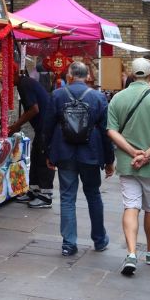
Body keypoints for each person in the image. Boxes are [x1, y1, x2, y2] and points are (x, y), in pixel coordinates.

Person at [107, 57, 150, 277]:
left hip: (128, 164)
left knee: (131, 206)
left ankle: (132, 253)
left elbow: (112, 131)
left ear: (131, 73)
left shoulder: (118, 98)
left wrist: (132, 152)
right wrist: (147, 154)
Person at [43, 62, 115, 256]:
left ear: (70, 75)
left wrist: (48, 153)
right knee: (93, 195)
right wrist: (109, 160)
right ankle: (99, 240)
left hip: (64, 152)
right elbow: (106, 131)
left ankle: (69, 243)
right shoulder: (99, 97)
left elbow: (47, 127)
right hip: (90, 153)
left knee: (67, 197)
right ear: (87, 76)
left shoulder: (57, 95)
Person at [10, 69, 54, 208]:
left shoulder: (25, 85)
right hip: (41, 128)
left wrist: (17, 125)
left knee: (43, 159)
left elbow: (34, 109)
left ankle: (46, 196)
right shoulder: (25, 83)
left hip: (46, 128)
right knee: (35, 157)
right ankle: (34, 190)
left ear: (14, 74)